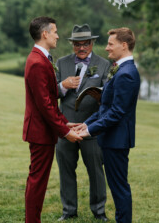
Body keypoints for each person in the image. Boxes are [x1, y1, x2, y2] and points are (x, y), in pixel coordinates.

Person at [75, 27, 140, 223]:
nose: (106, 48)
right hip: (111, 139)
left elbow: (117, 112)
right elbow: (106, 107)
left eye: (111, 44)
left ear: (124, 45)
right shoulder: (120, 69)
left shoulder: (127, 73)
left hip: (117, 140)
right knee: (117, 186)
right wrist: (85, 124)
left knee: (119, 188)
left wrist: (89, 130)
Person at [23, 17, 82, 223]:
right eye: (55, 31)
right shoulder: (38, 62)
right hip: (40, 132)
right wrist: (65, 132)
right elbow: (45, 106)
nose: (58, 35)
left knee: (38, 180)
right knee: (37, 181)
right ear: (45, 34)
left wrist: (64, 123)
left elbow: (47, 98)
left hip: (43, 130)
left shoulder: (42, 59)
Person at [56, 24, 110, 221]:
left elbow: (109, 95)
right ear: (72, 45)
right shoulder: (61, 63)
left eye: (85, 44)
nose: (81, 48)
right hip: (66, 128)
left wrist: (100, 96)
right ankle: (69, 211)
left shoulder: (104, 64)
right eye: (77, 44)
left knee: (96, 171)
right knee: (66, 170)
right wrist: (63, 85)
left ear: (92, 43)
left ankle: (99, 211)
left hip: (91, 128)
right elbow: (49, 93)